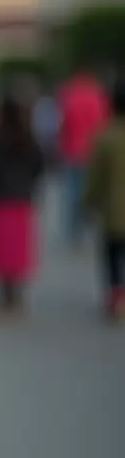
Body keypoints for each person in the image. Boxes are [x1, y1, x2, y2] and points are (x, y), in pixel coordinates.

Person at [0, 96, 45, 314]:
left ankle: (4, 294)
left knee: (1, 249)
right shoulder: (29, 139)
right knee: (17, 250)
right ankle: (16, 293)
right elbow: (39, 166)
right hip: (22, 199)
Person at [84, 80, 125, 322]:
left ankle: (115, 295)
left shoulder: (105, 136)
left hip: (113, 209)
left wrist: (89, 201)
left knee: (111, 255)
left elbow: (96, 175)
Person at [58, 68, 109, 247]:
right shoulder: (99, 97)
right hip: (94, 152)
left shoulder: (70, 96)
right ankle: (92, 231)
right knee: (94, 194)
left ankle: (73, 233)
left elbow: (65, 124)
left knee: (73, 194)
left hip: (73, 151)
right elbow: (104, 124)